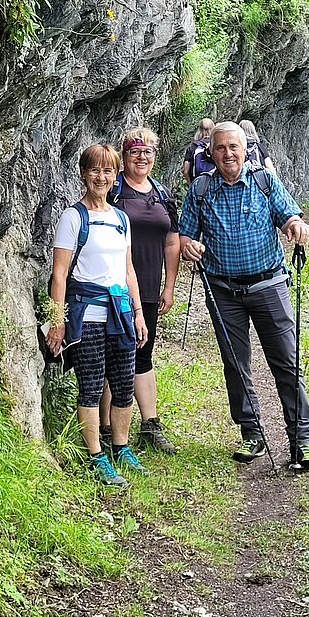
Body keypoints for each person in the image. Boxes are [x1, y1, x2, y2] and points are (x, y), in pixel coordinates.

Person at [179, 120, 309, 470]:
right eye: (221, 147)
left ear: (246, 150)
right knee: (235, 363)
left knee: (286, 361)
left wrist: (295, 227)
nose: (228, 153)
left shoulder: (264, 180)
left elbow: (290, 217)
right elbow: (184, 236)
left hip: (269, 285)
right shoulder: (200, 189)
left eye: (234, 147)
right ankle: (252, 432)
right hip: (223, 290)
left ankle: (301, 439)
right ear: (210, 152)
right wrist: (189, 246)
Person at [46, 143, 148, 487]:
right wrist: (58, 321)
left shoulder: (121, 218)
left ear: (115, 175)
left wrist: (138, 313)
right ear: (83, 174)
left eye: (107, 171)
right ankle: (96, 456)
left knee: (122, 384)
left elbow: (128, 270)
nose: (101, 177)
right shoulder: (73, 217)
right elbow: (59, 274)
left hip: (119, 312)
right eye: (95, 170)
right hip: (86, 313)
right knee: (90, 385)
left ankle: (121, 446)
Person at [101, 126, 180, 454]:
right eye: (135, 151)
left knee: (142, 355)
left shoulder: (161, 193)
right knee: (112, 356)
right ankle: (105, 428)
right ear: (124, 156)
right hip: (114, 288)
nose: (141, 157)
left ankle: (150, 426)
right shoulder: (113, 192)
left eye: (147, 151)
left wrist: (169, 285)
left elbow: (172, 240)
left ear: (154, 155)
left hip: (148, 289)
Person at [182, 118, 214, 184]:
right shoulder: (215, 145)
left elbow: (185, 171)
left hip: (198, 184)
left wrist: (191, 185)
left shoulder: (194, 146)